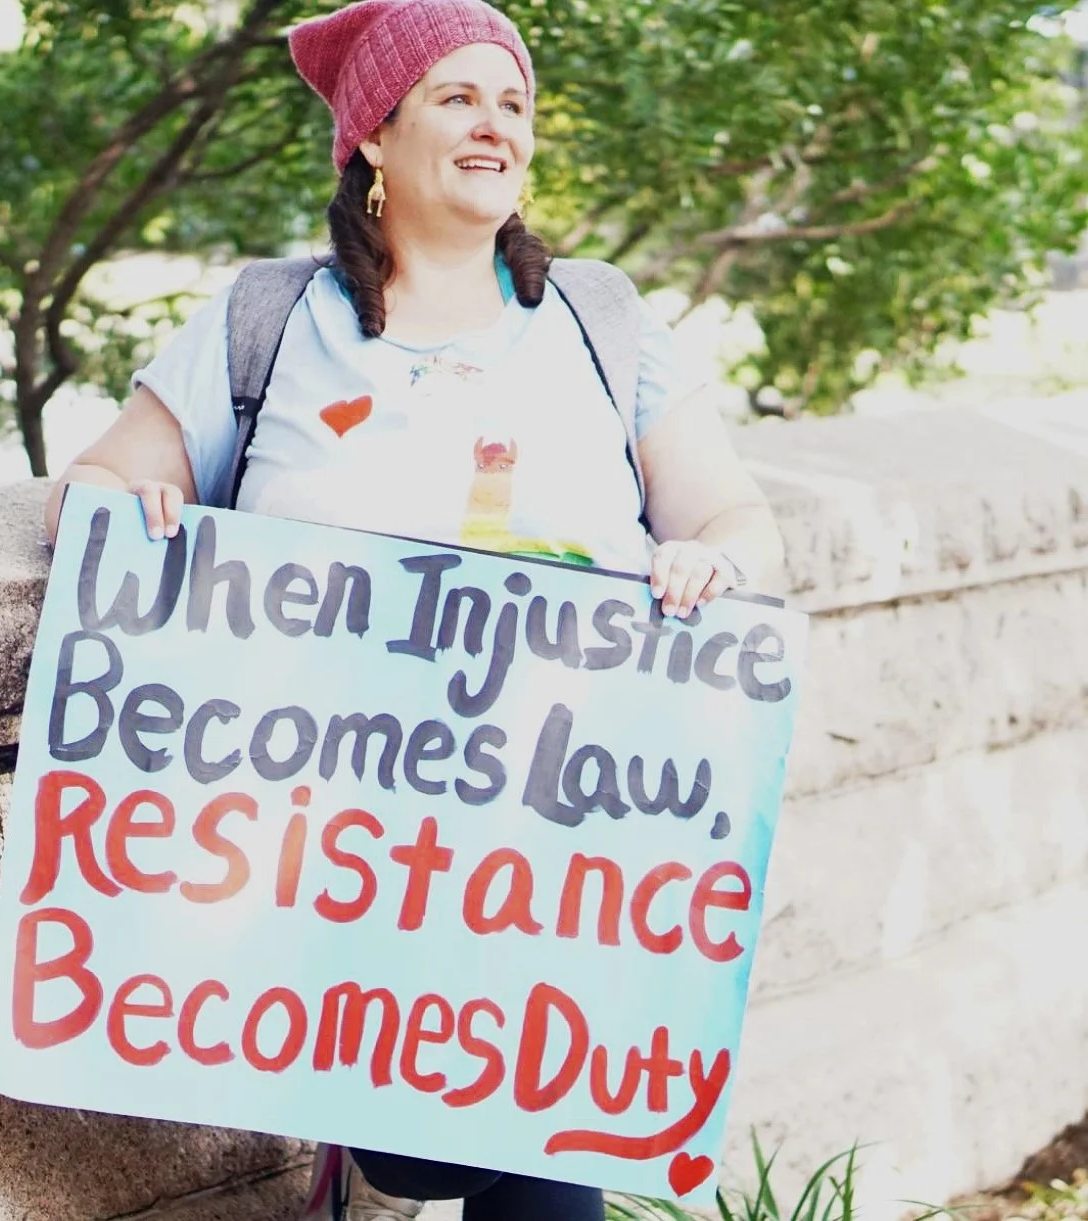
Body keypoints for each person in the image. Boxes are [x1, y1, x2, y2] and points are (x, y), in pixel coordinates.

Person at [41, 1, 785, 1216]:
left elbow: (737, 522)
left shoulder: (598, 319)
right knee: (421, 1149)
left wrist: (709, 566)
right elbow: (105, 481)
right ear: (373, 138)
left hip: (565, 839)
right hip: (344, 854)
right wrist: (129, 511)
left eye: (514, 103)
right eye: (457, 98)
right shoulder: (269, 320)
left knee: (540, 1147)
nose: (496, 126)